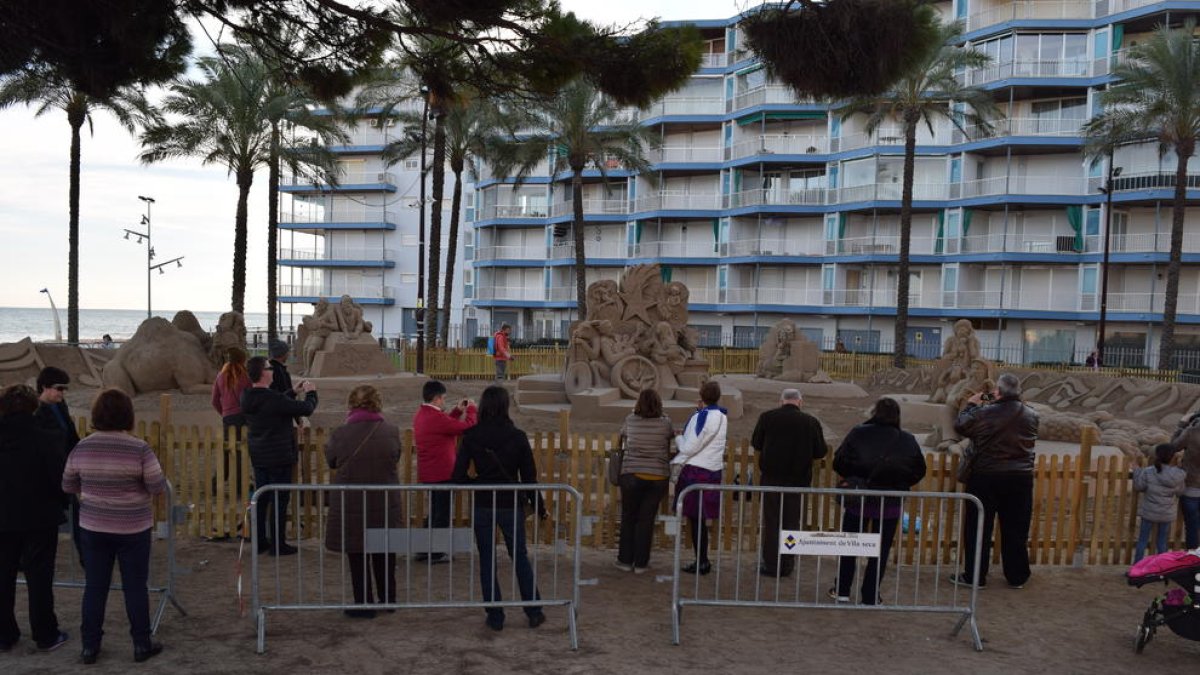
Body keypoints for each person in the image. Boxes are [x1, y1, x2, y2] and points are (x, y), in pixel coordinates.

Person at [62, 389, 166, 664]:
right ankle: (141, 643)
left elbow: (68, 484)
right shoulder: (139, 448)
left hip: (94, 526)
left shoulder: (82, 447)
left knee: (95, 587)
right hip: (133, 527)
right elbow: (157, 486)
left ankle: (89, 646)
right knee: (135, 587)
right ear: (128, 415)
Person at [451, 386, 546, 632]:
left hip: (484, 503)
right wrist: (539, 506)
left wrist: (479, 483)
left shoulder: (472, 435)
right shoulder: (518, 436)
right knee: (520, 557)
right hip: (510, 503)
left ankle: (495, 616)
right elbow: (529, 478)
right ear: (505, 406)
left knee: (487, 560)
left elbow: (458, 476)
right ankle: (533, 610)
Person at [830, 398, 927, 604]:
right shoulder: (907, 439)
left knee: (850, 545)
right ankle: (870, 595)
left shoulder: (859, 432)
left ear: (874, 412)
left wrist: (855, 477)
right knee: (880, 550)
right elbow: (918, 470)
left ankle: (842, 590)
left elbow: (839, 461)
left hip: (859, 499)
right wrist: (899, 483)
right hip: (889, 502)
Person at [950, 373, 1039, 590]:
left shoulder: (984, 414)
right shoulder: (1032, 415)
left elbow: (961, 426)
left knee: (978, 526)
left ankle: (975, 576)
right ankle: (1017, 575)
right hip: (1021, 478)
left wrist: (971, 405)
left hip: (986, 475)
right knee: (1016, 528)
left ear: (997, 392)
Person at [0, 384, 69, 653]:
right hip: (40, 516)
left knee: (3, 576)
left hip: (3, 517)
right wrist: (61, 503)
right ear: (33, 406)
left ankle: (4, 634)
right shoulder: (45, 437)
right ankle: (45, 633)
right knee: (40, 578)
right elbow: (59, 477)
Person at [325, 385, 402, 619]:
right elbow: (395, 456)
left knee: (357, 553)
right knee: (384, 550)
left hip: (352, 500)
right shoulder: (391, 431)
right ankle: (388, 598)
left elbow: (332, 460)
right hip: (384, 499)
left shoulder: (341, 433)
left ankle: (364, 603)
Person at [241, 356, 318, 556]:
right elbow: (306, 409)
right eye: (269, 368)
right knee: (279, 501)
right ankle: (278, 544)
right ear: (263, 373)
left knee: (261, 499)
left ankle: (260, 542)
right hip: (279, 456)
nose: (273, 371)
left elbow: (274, 403)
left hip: (259, 455)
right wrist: (311, 393)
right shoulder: (273, 399)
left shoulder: (248, 396)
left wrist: (293, 391)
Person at [750, 388, 828, 578]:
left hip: (771, 479)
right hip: (797, 481)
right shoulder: (810, 422)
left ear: (781, 401)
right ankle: (787, 564)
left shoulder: (767, 418)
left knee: (772, 522)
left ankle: (771, 564)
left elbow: (756, 443)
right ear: (800, 402)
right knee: (791, 523)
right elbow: (820, 452)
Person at [412, 380, 476, 563]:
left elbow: (446, 425)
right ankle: (437, 552)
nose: (444, 402)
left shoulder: (422, 414)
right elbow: (466, 427)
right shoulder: (435, 418)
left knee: (435, 512)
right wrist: (471, 410)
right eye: (443, 398)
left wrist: (456, 411)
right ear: (437, 398)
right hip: (442, 473)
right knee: (441, 514)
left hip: (430, 472)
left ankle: (424, 549)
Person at [615, 389, 674, 573]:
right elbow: (670, 439)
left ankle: (625, 560)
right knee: (646, 520)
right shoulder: (665, 422)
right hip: (657, 475)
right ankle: (641, 563)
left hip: (632, 473)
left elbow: (621, 438)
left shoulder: (630, 419)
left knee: (628, 517)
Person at [672, 381, 728, 576]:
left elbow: (688, 447)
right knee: (700, 519)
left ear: (701, 396)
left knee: (695, 520)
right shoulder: (722, 416)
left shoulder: (700, 417)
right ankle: (702, 558)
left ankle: (702, 560)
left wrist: (678, 437)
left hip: (696, 471)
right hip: (713, 470)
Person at [33, 366, 82, 563]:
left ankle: (86, 557)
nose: (62, 393)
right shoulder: (36, 412)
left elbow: (70, 434)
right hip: (47, 476)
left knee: (78, 514)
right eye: (58, 388)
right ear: (44, 387)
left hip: (65, 469)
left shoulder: (61, 406)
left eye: (64, 389)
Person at [210, 348, 252, 508]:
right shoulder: (246, 377)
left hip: (228, 418)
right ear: (242, 360)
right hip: (244, 418)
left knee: (226, 452)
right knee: (241, 452)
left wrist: (225, 413)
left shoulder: (220, 377)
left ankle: (217, 483)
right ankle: (240, 487)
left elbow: (214, 400)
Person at [1132, 443, 1186, 562]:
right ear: (1173, 457)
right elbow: (1180, 492)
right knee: (1162, 542)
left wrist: (1136, 471)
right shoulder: (1179, 474)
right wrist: (1178, 467)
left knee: (1142, 540)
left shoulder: (1148, 471)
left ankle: (1137, 567)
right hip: (1166, 513)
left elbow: (1139, 486)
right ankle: (1162, 568)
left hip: (1149, 511)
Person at [1172, 414, 1200, 550]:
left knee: (1192, 527)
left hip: (1190, 488)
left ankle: (1192, 559)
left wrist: (1181, 426)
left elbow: (1173, 447)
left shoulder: (1191, 432)